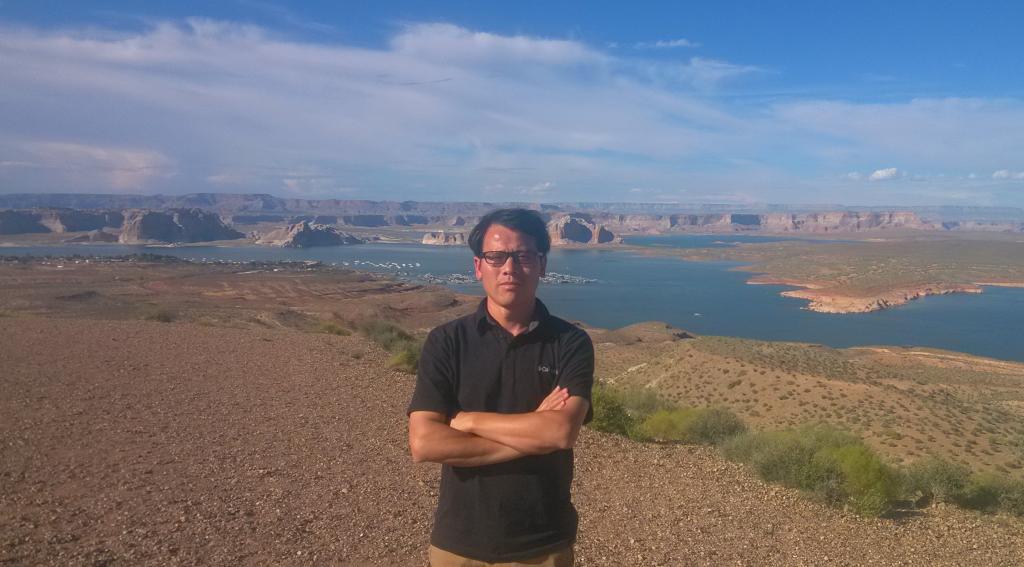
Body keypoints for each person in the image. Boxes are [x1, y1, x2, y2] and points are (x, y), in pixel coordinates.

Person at [407, 208, 594, 566]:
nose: (509, 268)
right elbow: (425, 443)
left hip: (543, 546)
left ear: (542, 265)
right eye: (496, 257)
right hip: (457, 546)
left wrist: (468, 420)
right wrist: (534, 432)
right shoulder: (446, 342)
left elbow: (560, 432)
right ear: (479, 267)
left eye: (523, 256)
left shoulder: (570, 343)